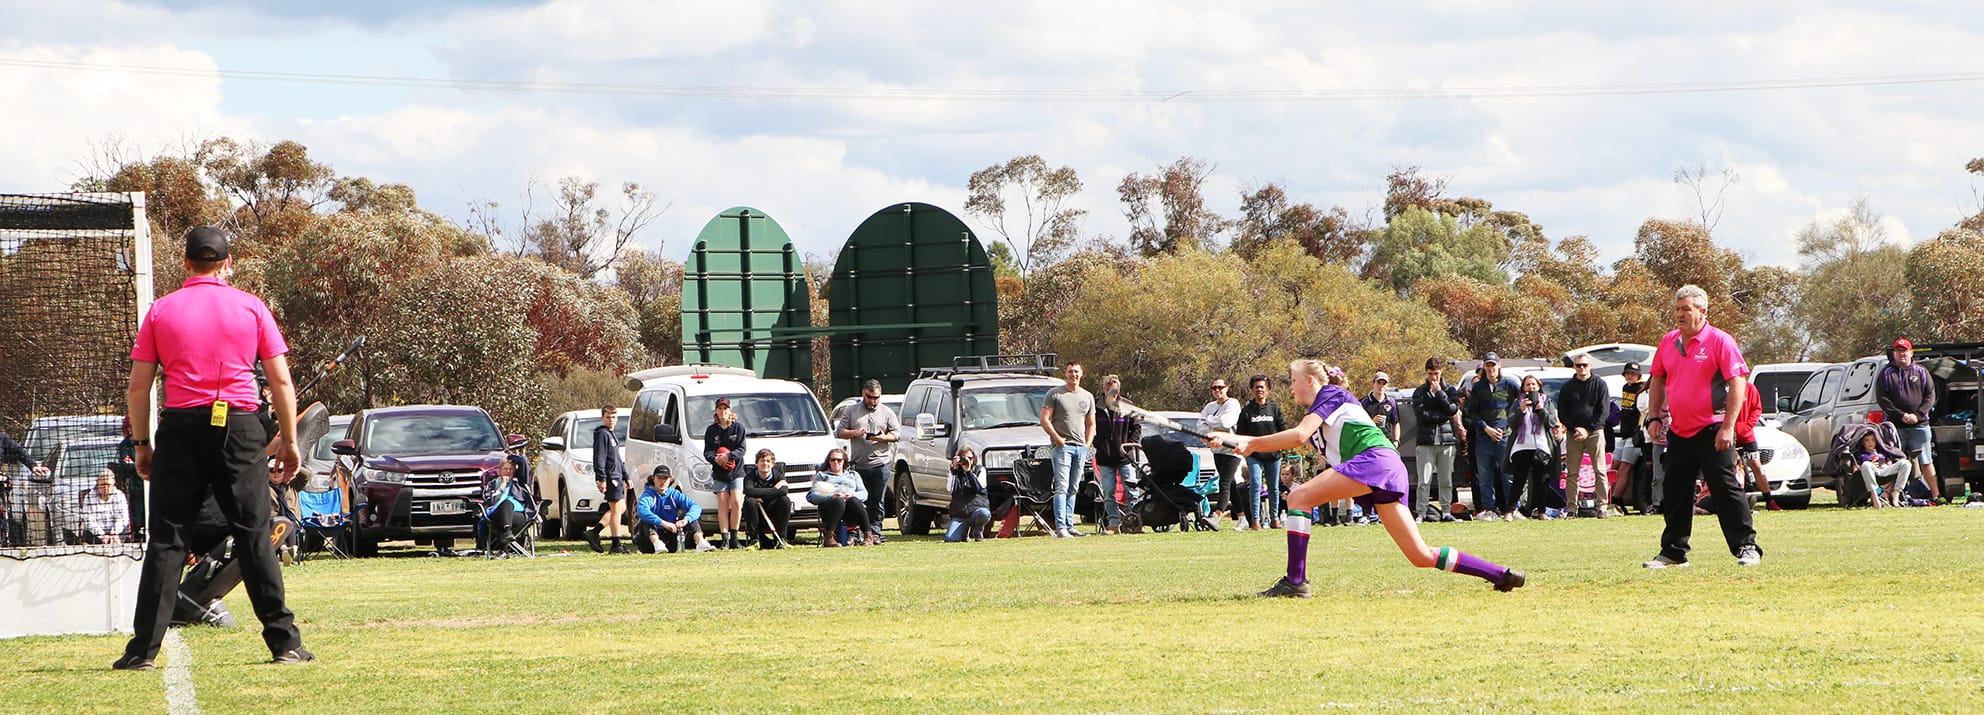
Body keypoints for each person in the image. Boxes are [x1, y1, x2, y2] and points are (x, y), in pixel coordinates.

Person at [118, 226, 311, 671]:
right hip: (238, 427)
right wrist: (289, 441)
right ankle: (284, 643)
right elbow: (281, 382)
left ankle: (142, 651)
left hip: (181, 427)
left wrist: (143, 444)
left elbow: (138, 387)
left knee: (168, 538)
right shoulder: (251, 307)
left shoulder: (161, 310)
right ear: (228, 264)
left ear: (186, 263)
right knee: (253, 532)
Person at [1212, 359, 1525, 598]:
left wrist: (1250, 443)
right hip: (1386, 466)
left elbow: (1297, 436)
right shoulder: (1322, 411)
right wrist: (1232, 440)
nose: (1291, 388)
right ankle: (1500, 574)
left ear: (1309, 380)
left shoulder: (1330, 393)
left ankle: (1296, 581)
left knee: (1297, 497)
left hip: (1374, 463)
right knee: (1420, 555)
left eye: (1293, 381)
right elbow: (1286, 437)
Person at [1642, 284, 1762, 569]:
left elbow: (1738, 382)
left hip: (1713, 429)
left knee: (1725, 490)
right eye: (1677, 309)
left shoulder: (1720, 341)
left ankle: (1747, 547)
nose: (1680, 315)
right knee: (1675, 492)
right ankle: (1673, 553)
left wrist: (1728, 427)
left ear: (1703, 311)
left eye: (1686, 309)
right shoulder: (1669, 341)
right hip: (1679, 431)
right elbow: (1658, 378)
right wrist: (1654, 416)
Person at [834, 379, 900, 538]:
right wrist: (855, 433)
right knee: (856, 500)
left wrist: (883, 437)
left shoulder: (887, 412)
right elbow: (840, 432)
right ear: (863, 394)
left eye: (876, 398)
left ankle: (874, 532)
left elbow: (897, 434)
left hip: (881, 464)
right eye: (869, 397)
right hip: (858, 465)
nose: (873, 401)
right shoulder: (852, 410)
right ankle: (856, 532)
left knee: (877, 501)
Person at [1877, 338, 1940, 501]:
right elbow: (1883, 399)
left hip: (1920, 425)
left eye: (1904, 351)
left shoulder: (1921, 372)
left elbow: (1930, 395)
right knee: (1893, 461)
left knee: (1926, 461)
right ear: (1894, 354)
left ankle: (1936, 495)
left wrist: (1918, 415)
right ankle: (1886, 495)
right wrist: (1901, 415)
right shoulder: (1886, 373)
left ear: (1911, 353)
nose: (1902, 354)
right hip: (1895, 426)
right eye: (1898, 351)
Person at [1040, 362, 1096, 538]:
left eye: (1076, 371)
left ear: (1082, 373)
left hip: (1080, 448)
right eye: (1070, 371)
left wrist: (1088, 443)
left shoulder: (1087, 396)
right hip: (1063, 448)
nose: (1074, 375)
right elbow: (1044, 419)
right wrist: (1057, 439)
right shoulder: (1055, 394)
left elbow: (1091, 423)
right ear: (1065, 373)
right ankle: (1061, 527)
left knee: (1073, 488)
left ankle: (1070, 525)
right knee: (1061, 488)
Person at [1466, 353, 1522, 520]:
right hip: (1484, 438)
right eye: (1488, 365)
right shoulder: (1478, 388)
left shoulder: (1510, 385)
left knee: (1508, 476)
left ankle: (1513, 509)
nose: (1491, 369)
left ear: (1499, 365)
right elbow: (1471, 412)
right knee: (1485, 477)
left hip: (1505, 437)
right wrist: (1486, 428)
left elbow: (1521, 404)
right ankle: (1489, 510)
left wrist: (1512, 425)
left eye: (1493, 365)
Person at [1556, 353, 1612, 518]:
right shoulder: (1568, 387)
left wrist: (1588, 429)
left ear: (1590, 366)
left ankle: (1602, 507)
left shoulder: (1600, 384)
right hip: (1574, 434)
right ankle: (1572, 508)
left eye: (1584, 365)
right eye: (1578, 365)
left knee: (1600, 471)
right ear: (1574, 367)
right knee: (1572, 473)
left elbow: (1604, 411)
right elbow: (1563, 412)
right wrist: (1575, 429)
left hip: (1595, 432)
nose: (1581, 368)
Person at [1411, 358, 1466, 522]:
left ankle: (1446, 511)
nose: (1433, 377)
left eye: (1436, 373)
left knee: (1446, 479)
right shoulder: (1420, 392)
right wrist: (1442, 416)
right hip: (1426, 441)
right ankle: (1421, 512)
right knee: (1424, 480)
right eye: (1430, 374)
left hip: (1446, 441)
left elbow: (1452, 409)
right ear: (1426, 373)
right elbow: (1421, 414)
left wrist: (1440, 394)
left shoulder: (1450, 390)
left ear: (1441, 372)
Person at [1505, 374, 1565, 520]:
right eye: (1528, 385)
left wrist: (1540, 410)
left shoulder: (1547, 402)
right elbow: (1511, 422)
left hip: (1541, 447)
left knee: (1541, 481)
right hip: (1521, 446)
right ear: (1523, 388)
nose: (1531, 387)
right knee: (1519, 480)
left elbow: (1552, 422)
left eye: (1533, 384)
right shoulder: (1517, 402)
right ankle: (1509, 511)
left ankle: (1542, 512)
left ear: (1539, 387)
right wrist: (1521, 410)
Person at [1090, 375, 1140, 535]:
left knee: (1132, 491)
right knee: (1108, 491)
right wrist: (1096, 444)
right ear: (1104, 388)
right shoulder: (1095, 405)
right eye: (1108, 386)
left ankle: (1135, 522)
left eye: (1113, 386)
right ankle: (1113, 523)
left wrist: (1130, 445)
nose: (1111, 389)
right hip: (1104, 458)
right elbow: (1089, 426)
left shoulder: (1128, 405)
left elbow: (1136, 428)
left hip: (1125, 457)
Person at [1237, 374, 1288, 530]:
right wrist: (1246, 449)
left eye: (1262, 387)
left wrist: (1281, 445)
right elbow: (1241, 434)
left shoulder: (1274, 408)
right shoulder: (1247, 411)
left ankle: (1274, 519)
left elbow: (1283, 429)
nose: (1259, 390)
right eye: (1256, 387)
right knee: (1256, 484)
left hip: (1273, 455)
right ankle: (1255, 520)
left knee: (1273, 487)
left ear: (1268, 389)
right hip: (1254, 455)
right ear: (1252, 390)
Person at [634, 466, 716, 553]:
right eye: (659, 478)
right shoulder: (648, 495)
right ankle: (657, 544)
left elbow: (695, 507)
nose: (662, 481)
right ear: (653, 479)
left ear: (670, 480)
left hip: (671, 537)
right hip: (649, 542)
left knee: (689, 516)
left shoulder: (674, 494)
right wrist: (663, 523)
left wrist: (685, 520)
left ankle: (701, 542)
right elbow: (642, 511)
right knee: (645, 520)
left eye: (665, 478)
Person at [808, 448, 878, 547]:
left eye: (839, 460)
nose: (836, 462)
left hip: (850, 507)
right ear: (828, 461)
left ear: (844, 461)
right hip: (831, 507)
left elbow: (864, 494)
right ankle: (829, 538)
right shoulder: (822, 475)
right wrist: (831, 496)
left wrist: (852, 494)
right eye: (833, 460)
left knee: (854, 500)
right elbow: (813, 496)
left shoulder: (853, 475)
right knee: (839, 501)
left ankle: (868, 536)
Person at [585, 405, 631, 554]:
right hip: (611, 477)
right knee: (616, 509)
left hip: (617, 475)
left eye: (613, 417)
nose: (611, 420)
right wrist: (601, 478)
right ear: (602, 418)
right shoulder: (602, 434)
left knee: (621, 508)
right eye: (608, 417)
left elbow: (617, 459)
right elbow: (599, 458)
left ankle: (594, 532)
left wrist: (626, 476)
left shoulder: (611, 435)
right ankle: (616, 543)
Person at [703, 398, 748, 550]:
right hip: (719, 472)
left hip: (736, 471)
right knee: (722, 504)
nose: (723, 411)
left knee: (736, 502)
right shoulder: (711, 430)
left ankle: (735, 537)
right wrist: (716, 459)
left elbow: (742, 449)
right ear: (716, 411)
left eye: (725, 409)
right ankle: (725, 539)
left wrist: (729, 456)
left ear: (730, 411)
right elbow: (707, 452)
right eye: (720, 409)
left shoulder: (738, 428)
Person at [1198, 377, 1242, 527]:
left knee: (1224, 483)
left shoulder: (1233, 404)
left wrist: (1209, 420)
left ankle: (1216, 517)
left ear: (1226, 388)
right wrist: (1214, 423)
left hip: (1232, 449)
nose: (1217, 390)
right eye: (1214, 388)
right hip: (1217, 450)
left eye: (1220, 387)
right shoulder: (1209, 406)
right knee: (1231, 484)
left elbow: (1226, 422)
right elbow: (1200, 427)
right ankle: (1243, 518)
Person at [1610, 362, 1648, 513]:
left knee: (1625, 466)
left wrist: (1638, 430)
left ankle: (1617, 499)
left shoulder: (1642, 387)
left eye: (1633, 373)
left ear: (1639, 375)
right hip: (1624, 433)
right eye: (1628, 373)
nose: (1630, 376)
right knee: (1614, 465)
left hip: (1635, 434)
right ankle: (1608, 498)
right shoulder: (1626, 387)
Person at [740, 448, 791, 549]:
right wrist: (774, 489)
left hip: (773, 509)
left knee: (785, 500)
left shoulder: (778, 475)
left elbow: (784, 491)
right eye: (762, 461)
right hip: (756, 511)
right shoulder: (750, 477)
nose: (765, 463)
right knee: (749, 501)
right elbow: (749, 491)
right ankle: (754, 541)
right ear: (757, 463)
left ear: (772, 464)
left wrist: (762, 497)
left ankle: (781, 539)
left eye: (768, 461)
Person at [483, 454, 533, 556]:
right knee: (505, 504)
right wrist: (501, 488)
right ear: (499, 470)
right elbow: (490, 501)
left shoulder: (519, 483)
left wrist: (511, 457)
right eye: (505, 469)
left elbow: (523, 462)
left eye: (511, 469)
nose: (508, 471)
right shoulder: (492, 484)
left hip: (518, 516)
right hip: (496, 515)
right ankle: (506, 534)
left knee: (507, 505)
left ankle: (504, 549)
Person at [1854, 431, 1915, 508]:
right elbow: (1855, 469)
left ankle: (1896, 492)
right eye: (1867, 440)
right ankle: (1875, 496)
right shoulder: (1860, 454)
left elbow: (1889, 462)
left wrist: (1886, 465)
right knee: (1866, 465)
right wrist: (1868, 465)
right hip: (1870, 473)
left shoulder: (1882, 451)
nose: (1870, 443)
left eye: (1872, 440)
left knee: (1906, 463)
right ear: (1863, 442)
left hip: (1884, 471)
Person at [945, 446, 991, 543]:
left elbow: (978, 488)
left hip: (976, 510)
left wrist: (969, 472)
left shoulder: (980, 470)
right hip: (960, 514)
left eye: (970, 458)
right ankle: (964, 533)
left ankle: (977, 532)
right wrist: (954, 470)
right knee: (950, 539)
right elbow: (950, 489)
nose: (967, 460)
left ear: (974, 459)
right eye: (964, 458)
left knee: (984, 514)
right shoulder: (954, 472)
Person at [74, 468, 131, 544]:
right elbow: (88, 520)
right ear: (98, 483)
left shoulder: (119, 496)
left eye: (108, 484)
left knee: (122, 534)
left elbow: (123, 518)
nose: (105, 488)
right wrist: (102, 535)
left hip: (117, 531)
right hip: (95, 533)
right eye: (103, 485)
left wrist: (114, 533)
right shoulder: (89, 497)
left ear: (113, 483)